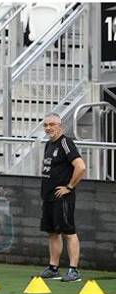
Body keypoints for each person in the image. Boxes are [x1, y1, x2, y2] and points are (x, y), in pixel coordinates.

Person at [38, 113, 86, 282]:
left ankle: (73, 270)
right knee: (52, 232)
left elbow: (80, 167)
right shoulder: (48, 145)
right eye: (45, 125)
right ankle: (53, 268)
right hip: (49, 197)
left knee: (68, 232)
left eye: (52, 124)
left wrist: (69, 187)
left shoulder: (66, 142)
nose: (48, 128)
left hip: (62, 197)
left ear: (60, 126)